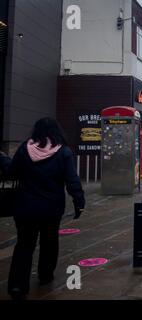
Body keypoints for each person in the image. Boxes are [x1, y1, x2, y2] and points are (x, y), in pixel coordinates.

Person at [0, 118, 85, 300]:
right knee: (49, 240)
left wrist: (3, 159)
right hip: (51, 208)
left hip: (24, 207)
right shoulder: (63, 152)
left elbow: (11, 173)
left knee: (24, 244)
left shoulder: (24, 149)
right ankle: (45, 275)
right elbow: (72, 180)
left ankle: (17, 285)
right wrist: (79, 202)